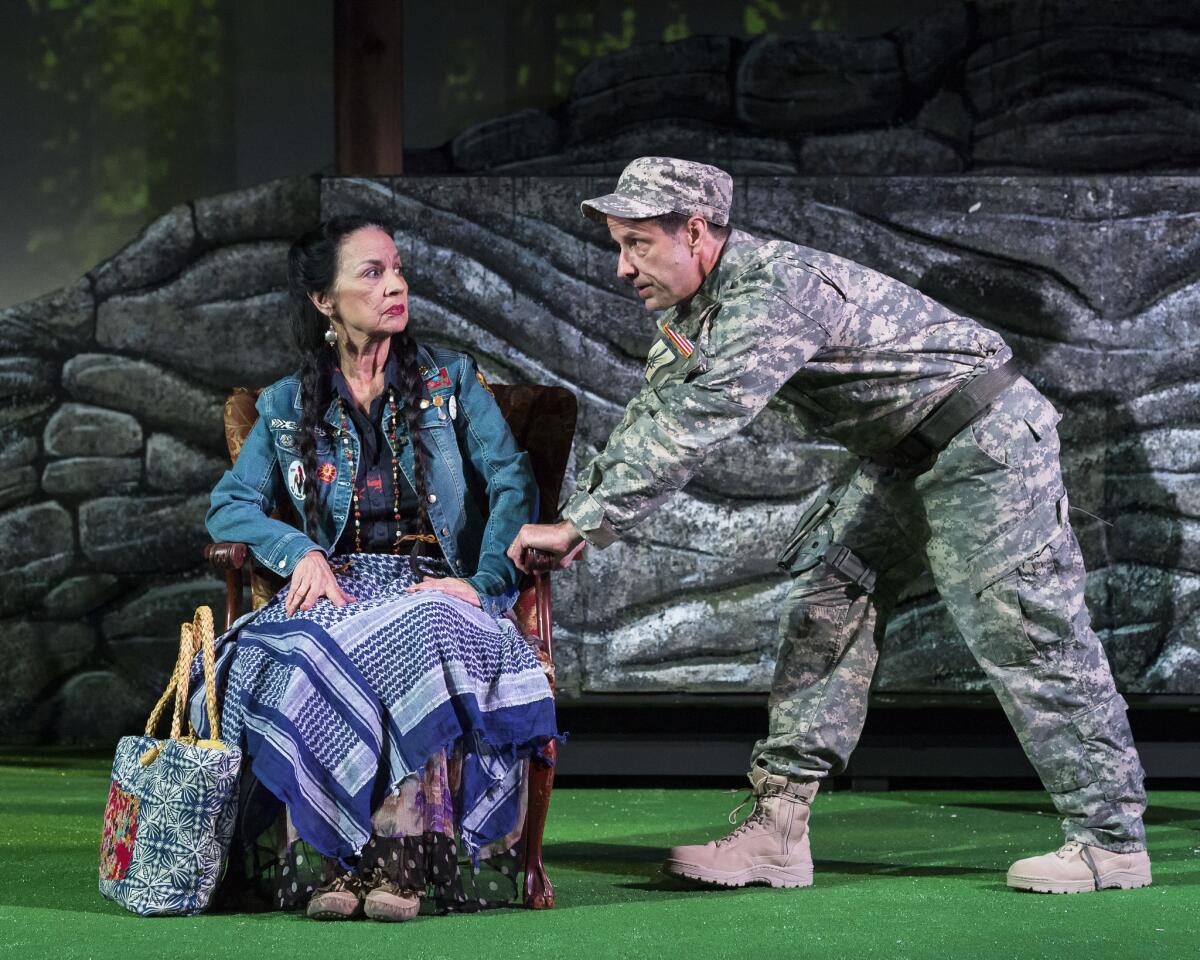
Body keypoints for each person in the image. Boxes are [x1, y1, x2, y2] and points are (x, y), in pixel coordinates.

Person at [507, 156, 1150, 895]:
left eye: (638, 244)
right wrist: (576, 521)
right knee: (827, 604)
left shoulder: (776, 290)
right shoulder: (694, 310)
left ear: (695, 231)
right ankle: (779, 833)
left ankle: (1110, 841)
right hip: (905, 454)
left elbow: (700, 418)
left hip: (984, 442)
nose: (622, 267)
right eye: (617, 245)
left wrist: (585, 522)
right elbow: (656, 414)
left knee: (1028, 631)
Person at [195, 215, 556, 921]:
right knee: (297, 644)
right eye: (372, 273)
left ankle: (402, 864)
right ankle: (329, 866)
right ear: (324, 302)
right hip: (341, 582)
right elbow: (230, 506)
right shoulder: (283, 405)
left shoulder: (451, 382)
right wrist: (297, 550)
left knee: (416, 626)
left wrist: (483, 584)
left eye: (398, 270)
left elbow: (512, 483)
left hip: (435, 582)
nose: (396, 285)